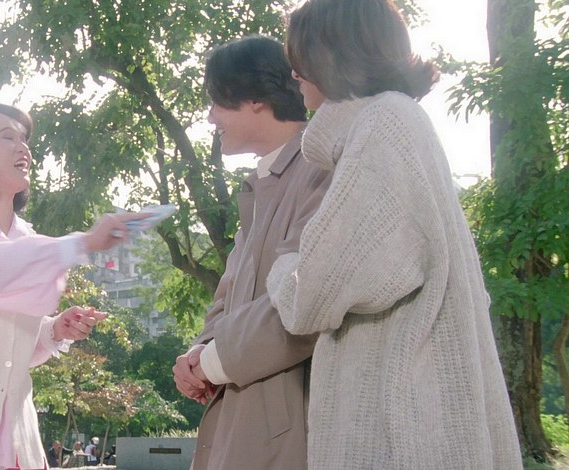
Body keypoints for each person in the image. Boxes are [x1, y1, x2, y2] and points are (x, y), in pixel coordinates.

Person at [266, 1, 523, 468]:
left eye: (301, 58)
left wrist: (282, 268)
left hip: (400, 429)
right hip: (420, 417)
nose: (294, 73)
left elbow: (311, 297)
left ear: (333, 55)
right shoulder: (394, 122)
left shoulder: (381, 128)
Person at [0, 103, 144, 469]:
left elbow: (9, 352)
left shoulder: (28, 238)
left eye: (25, 140)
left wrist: (53, 330)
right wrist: (82, 242)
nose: (24, 149)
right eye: (8, 137)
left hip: (18, 445)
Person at [171, 35, 332, 470]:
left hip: (292, 429)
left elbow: (304, 302)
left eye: (217, 102)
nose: (210, 117)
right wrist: (198, 352)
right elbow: (227, 297)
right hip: (242, 419)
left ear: (255, 98)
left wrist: (211, 362)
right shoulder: (262, 185)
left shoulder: (322, 168)